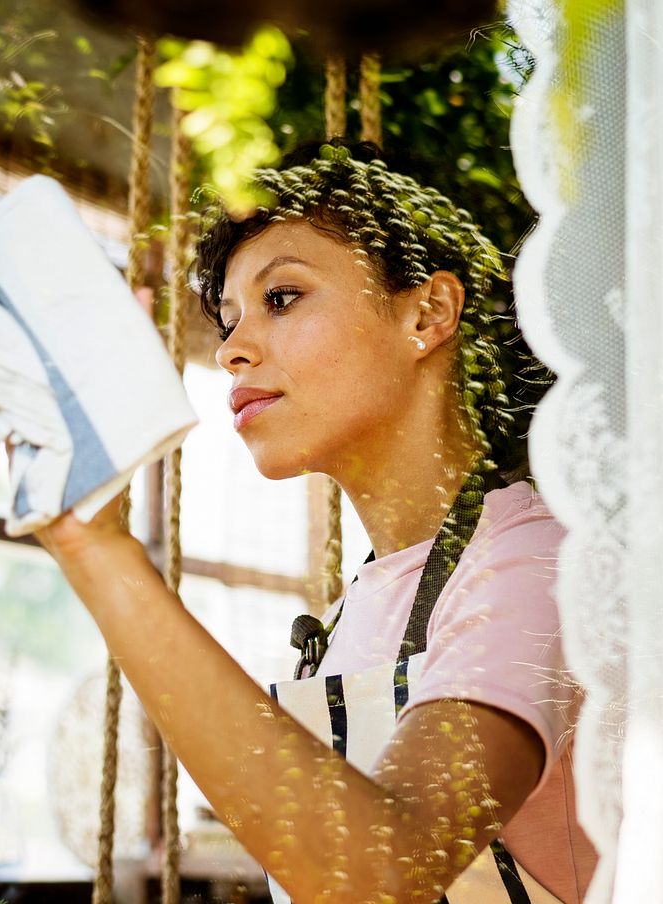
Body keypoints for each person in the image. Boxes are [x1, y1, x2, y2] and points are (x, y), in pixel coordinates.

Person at [36, 142, 596, 903]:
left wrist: (96, 549)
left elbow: (380, 874)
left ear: (427, 313)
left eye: (282, 297)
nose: (232, 350)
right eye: (228, 321)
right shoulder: (347, 613)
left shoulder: (536, 562)